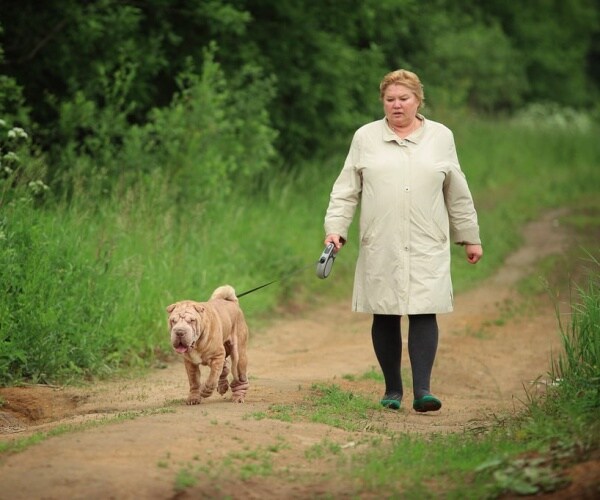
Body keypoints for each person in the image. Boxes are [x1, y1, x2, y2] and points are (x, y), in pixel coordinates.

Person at [323, 69, 483, 413]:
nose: (397, 105)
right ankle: (392, 389)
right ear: (383, 102)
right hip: (381, 240)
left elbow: (457, 191)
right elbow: (346, 190)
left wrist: (469, 237)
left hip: (428, 239)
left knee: (424, 310)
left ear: (418, 100)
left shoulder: (441, 137)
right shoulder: (365, 137)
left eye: (404, 98)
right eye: (390, 99)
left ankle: (423, 391)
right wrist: (336, 229)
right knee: (385, 311)